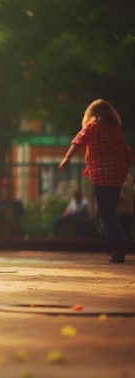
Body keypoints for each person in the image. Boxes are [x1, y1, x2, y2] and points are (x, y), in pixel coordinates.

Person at [59, 99, 133, 263]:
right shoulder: (116, 129)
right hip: (118, 173)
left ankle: (118, 240)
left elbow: (78, 141)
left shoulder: (91, 127)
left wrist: (66, 158)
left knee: (103, 214)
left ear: (91, 114)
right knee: (110, 212)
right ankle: (117, 251)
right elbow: (125, 150)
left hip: (101, 173)